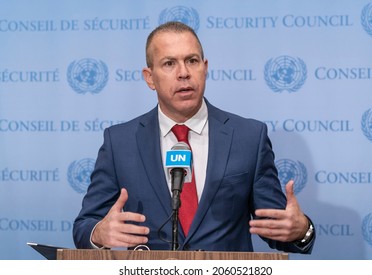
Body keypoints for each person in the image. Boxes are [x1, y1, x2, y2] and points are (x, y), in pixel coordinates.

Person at [73, 21, 315, 253]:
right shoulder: (120, 142)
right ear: (150, 78)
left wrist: (301, 229)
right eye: (169, 63)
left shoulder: (249, 137)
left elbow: (275, 226)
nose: (184, 73)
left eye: (192, 61)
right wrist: (98, 233)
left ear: (205, 67)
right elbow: (84, 226)